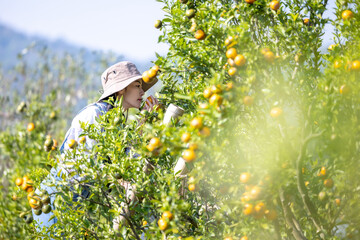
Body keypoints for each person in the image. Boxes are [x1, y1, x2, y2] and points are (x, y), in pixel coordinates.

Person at [33, 61, 159, 235]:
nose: (143, 92)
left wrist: (143, 127)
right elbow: (94, 165)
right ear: (121, 89)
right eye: (137, 85)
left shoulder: (117, 123)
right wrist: (124, 184)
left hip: (76, 200)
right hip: (54, 199)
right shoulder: (95, 114)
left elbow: (126, 165)